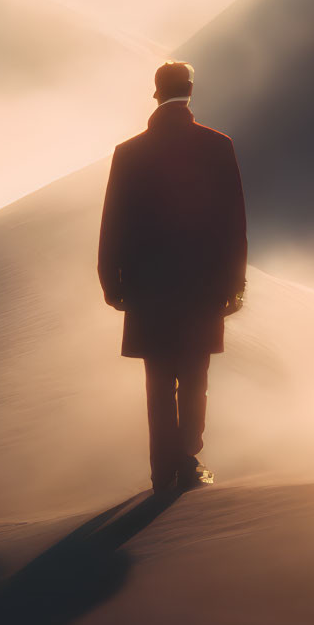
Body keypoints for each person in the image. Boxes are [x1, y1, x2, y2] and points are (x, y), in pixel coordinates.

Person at [98, 60, 247, 495]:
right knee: (195, 377)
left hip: (148, 289)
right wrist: (234, 285)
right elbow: (234, 223)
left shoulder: (130, 152)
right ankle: (186, 459)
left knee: (159, 381)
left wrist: (112, 282)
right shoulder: (218, 147)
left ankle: (163, 471)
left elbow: (113, 223)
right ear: (190, 90)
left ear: (156, 92)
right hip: (201, 289)